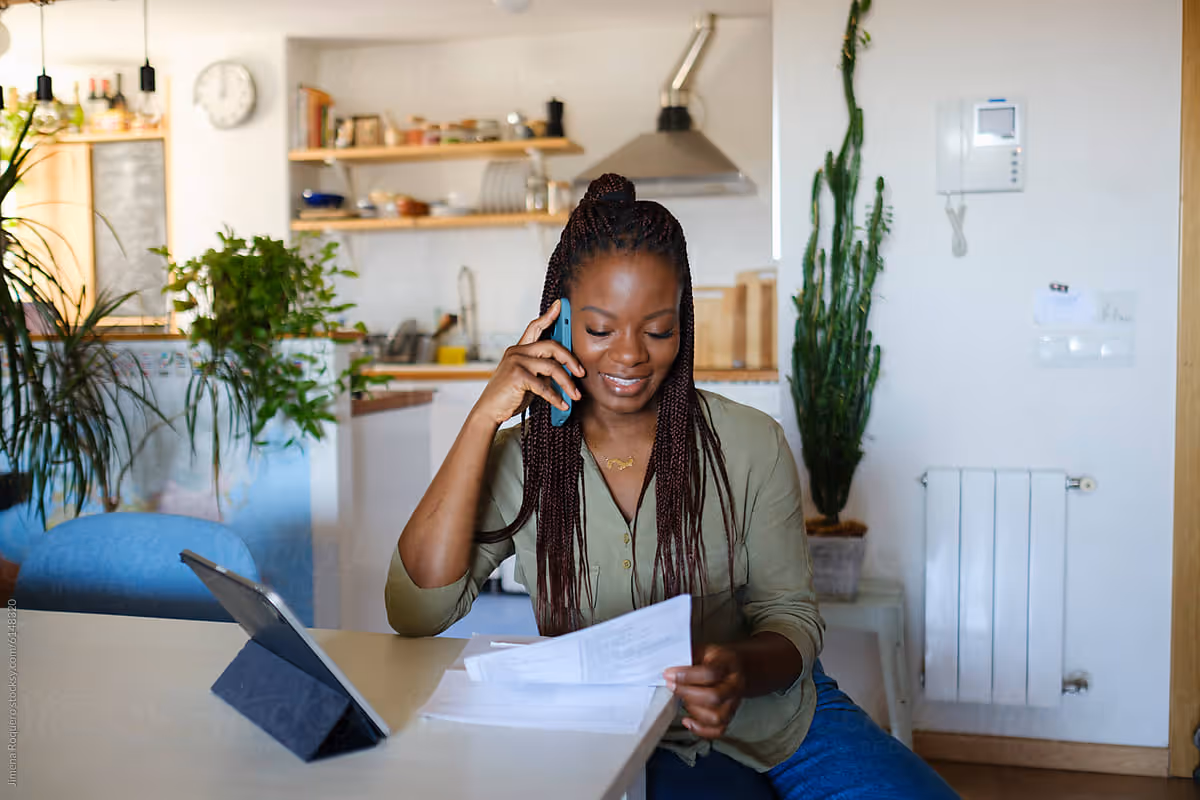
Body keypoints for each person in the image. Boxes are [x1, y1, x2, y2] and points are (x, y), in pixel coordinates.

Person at [386, 173, 959, 800]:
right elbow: (418, 612)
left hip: (779, 723)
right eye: (600, 330)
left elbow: (791, 617)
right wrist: (483, 418)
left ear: (682, 324)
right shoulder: (525, 459)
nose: (630, 355)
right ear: (560, 323)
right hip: (618, 735)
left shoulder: (751, 444)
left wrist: (737, 669)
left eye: (657, 330)